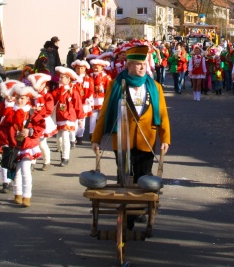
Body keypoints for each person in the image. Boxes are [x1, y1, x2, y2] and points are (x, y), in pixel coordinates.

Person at [91, 44, 171, 230]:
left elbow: (163, 114)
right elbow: (104, 113)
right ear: (128, 65)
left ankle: (140, 209)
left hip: (147, 140)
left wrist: (165, 138)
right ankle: (126, 213)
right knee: (125, 177)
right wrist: (96, 138)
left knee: (144, 176)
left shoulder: (155, 87)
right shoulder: (116, 85)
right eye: (137, 64)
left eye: (143, 63)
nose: (142, 67)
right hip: (123, 141)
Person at [0, 84, 45, 207]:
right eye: (17, 98)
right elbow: (3, 129)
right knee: (15, 172)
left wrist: (30, 131)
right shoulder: (10, 113)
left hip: (27, 146)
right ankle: (17, 194)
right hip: (13, 146)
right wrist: (4, 142)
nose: (19, 100)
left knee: (26, 171)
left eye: (22, 98)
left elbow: (41, 126)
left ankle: (27, 196)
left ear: (27, 99)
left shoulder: (32, 112)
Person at [0, 80, 21, 193]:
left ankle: (12, 179)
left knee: (15, 159)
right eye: (7, 94)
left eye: (12, 95)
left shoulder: (21, 107)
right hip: (3, 136)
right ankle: (5, 182)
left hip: (17, 138)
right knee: (5, 159)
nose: (10, 97)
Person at [51, 67, 84, 166]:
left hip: (68, 116)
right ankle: (62, 153)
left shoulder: (73, 91)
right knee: (59, 138)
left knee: (65, 136)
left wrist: (80, 118)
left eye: (63, 77)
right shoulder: (57, 91)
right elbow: (51, 101)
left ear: (68, 79)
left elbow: (78, 104)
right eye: (60, 77)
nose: (60, 79)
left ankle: (65, 157)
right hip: (59, 116)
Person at [28, 73, 58, 171]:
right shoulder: (30, 96)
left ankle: (46, 161)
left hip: (42, 122)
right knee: (32, 143)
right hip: (32, 121)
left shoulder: (48, 96)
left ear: (44, 85)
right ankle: (32, 163)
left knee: (42, 143)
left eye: (39, 85)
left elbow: (49, 109)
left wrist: (38, 110)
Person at [71, 59, 94, 145]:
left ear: (85, 69)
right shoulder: (72, 79)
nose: (79, 70)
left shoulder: (88, 79)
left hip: (84, 102)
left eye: (81, 68)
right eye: (78, 68)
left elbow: (91, 90)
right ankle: (72, 137)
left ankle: (80, 136)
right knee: (73, 119)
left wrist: (88, 98)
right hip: (74, 102)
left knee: (81, 120)